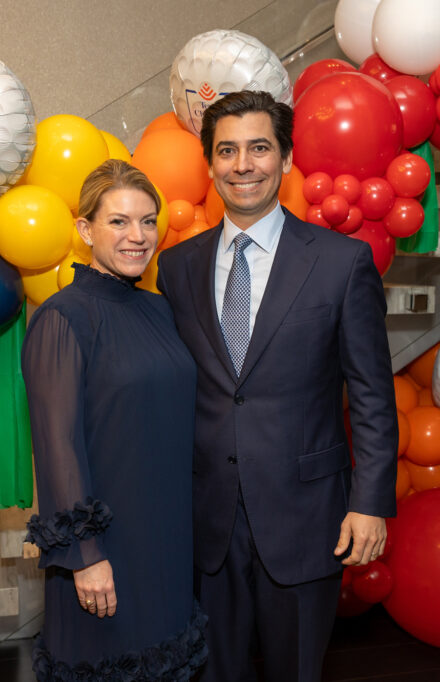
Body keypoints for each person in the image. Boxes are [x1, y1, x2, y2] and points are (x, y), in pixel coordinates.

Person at [156, 91, 398, 681]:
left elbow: (371, 395)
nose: (244, 165)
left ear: (286, 158)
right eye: (228, 151)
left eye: (259, 148)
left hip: (306, 513)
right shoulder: (177, 266)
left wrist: (369, 502)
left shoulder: (342, 263)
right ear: (210, 165)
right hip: (206, 517)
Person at [22, 159, 207, 681]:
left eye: (148, 221)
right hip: (105, 547)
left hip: (166, 537)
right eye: (119, 222)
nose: (138, 236)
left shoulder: (160, 309)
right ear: (86, 230)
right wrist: (85, 556)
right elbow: (57, 445)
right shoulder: (63, 317)